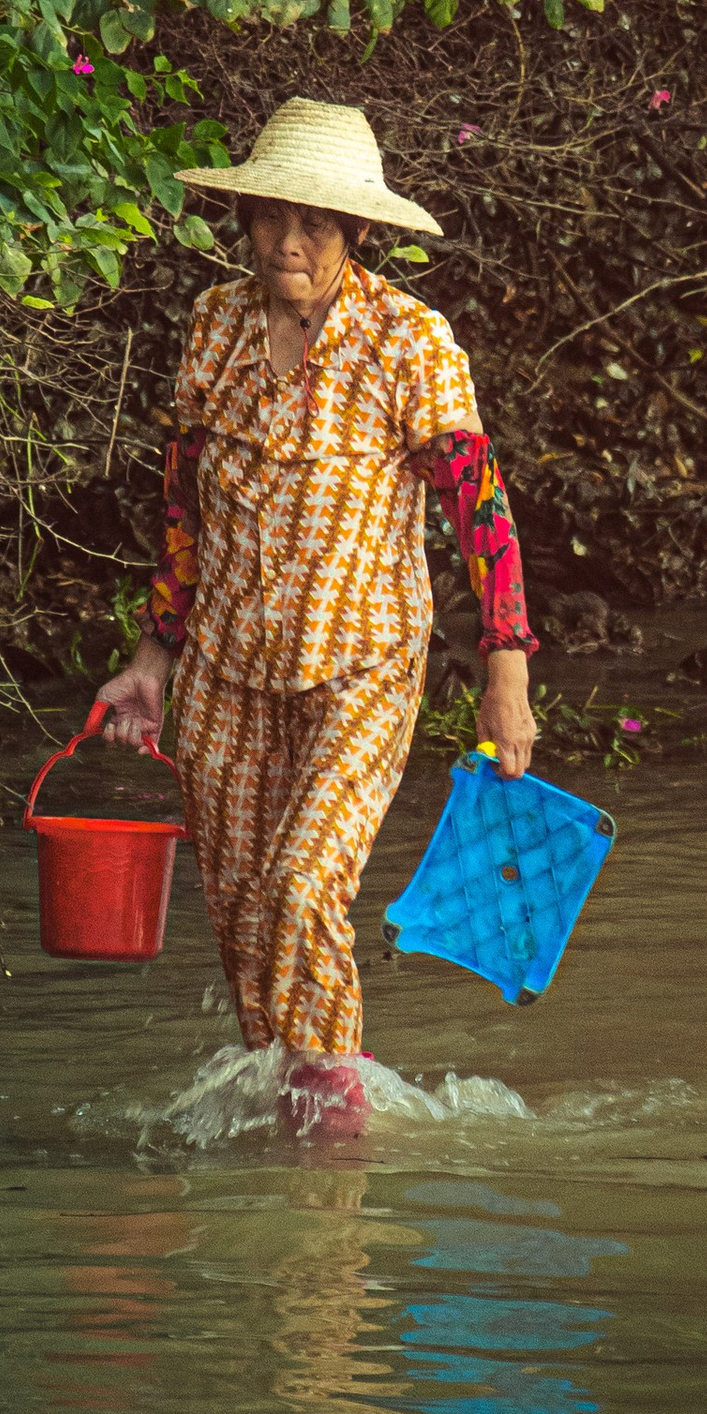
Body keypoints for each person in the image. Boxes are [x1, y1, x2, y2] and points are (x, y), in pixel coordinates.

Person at [93, 96, 537, 1141]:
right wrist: (154, 652)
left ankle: (340, 1132)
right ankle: (288, 1157)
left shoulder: (407, 341)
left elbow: (479, 505)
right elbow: (183, 498)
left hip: (361, 667)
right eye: (270, 220)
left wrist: (503, 670)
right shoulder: (215, 326)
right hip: (227, 673)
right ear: (244, 223)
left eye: (316, 226)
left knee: (301, 891)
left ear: (354, 236)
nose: (287, 242)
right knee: (248, 926)